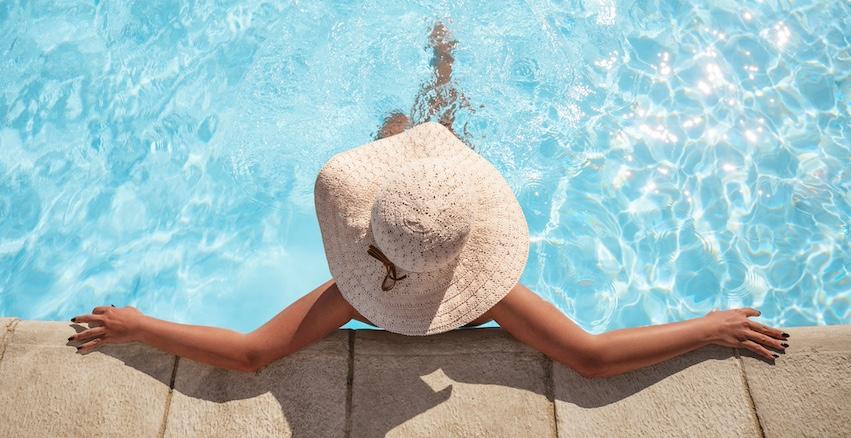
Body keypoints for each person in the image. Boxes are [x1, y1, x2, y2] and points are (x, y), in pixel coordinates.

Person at [68, 23, 789, 379]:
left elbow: (252, 354)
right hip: (427, 216)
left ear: (365, 238)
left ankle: (432, 81)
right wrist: (705, 327)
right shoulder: (490, 297)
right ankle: (443, 68)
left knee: (400, 132)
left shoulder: (353, 295)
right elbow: (591, 358)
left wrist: (141, 325)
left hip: (403, 214)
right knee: (430, 132)